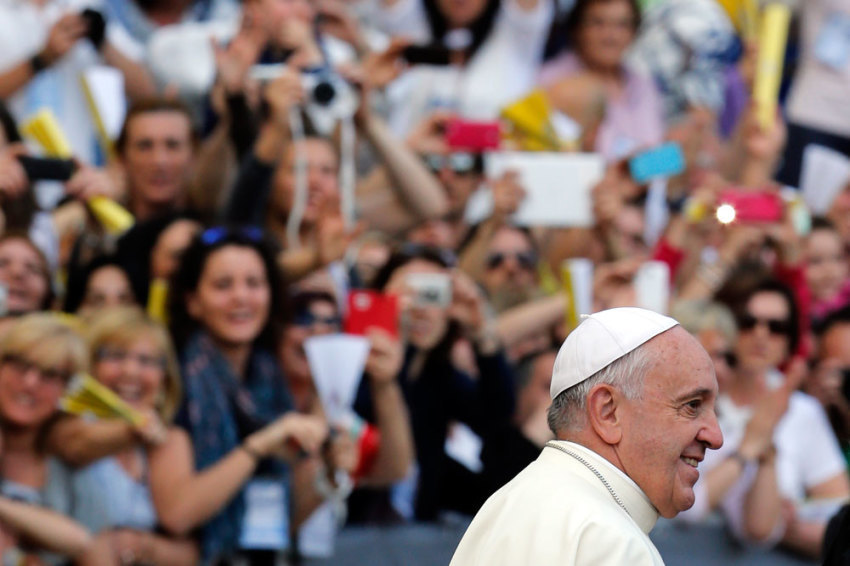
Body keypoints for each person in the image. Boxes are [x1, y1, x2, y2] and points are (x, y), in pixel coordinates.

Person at [450, 307, 723, 565]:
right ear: (608, 412)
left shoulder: (508, 501)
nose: (716, 436)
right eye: (692, 405)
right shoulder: (609, 538)